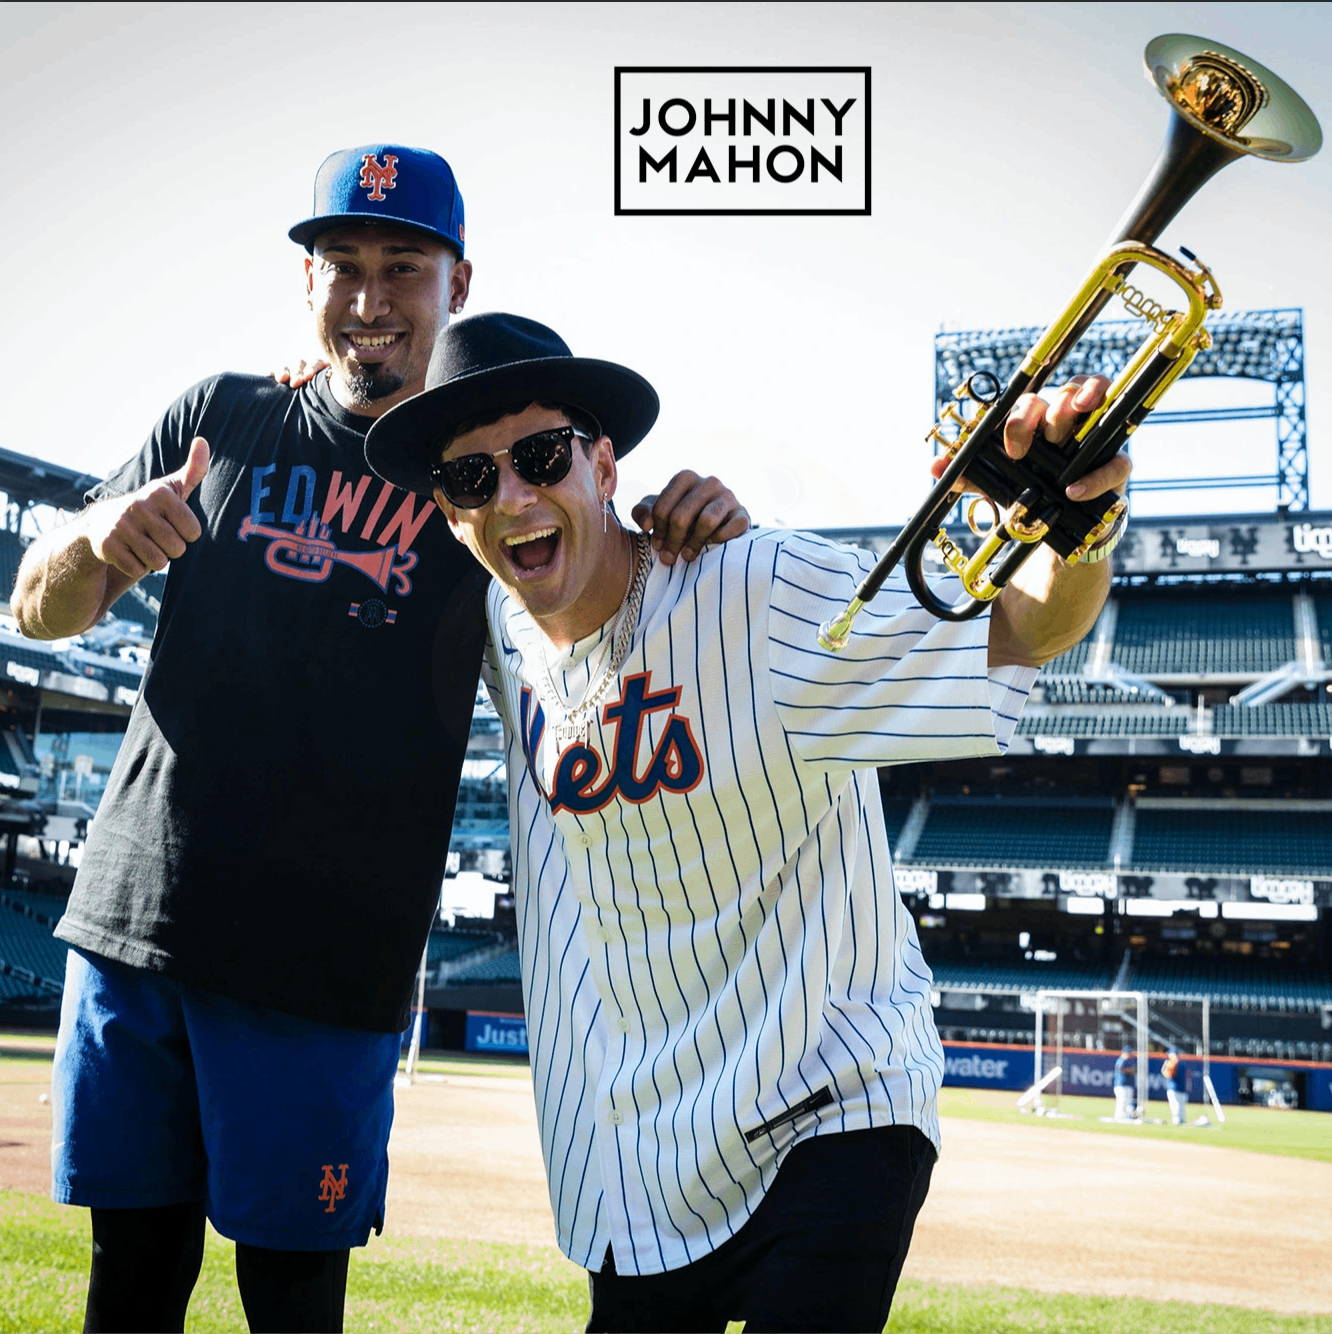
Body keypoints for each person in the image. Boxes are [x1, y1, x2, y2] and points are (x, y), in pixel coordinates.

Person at [12, 148, 746, 1334]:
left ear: (459, 281)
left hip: (323, 963)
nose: (370, 296)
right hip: (137, 923)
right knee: (127, 1281)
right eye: (342, 265)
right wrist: (95, 536)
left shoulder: (483, 479)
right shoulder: (222, 415)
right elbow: (34, 609)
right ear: (304, 281)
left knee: (291, 1301)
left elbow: (608, 583)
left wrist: (695, 513)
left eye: (404, 266)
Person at [364, 312, 1131, 1333]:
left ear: (603, 462)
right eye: (471, 478)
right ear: (448, 512)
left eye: (541, 455)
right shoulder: (504, 634)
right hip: (638, 1165)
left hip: (830, 1107)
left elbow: (1021, 631)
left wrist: (1076, 532)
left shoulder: (759, 586)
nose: (510, 495)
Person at [1161, 1046, 1188, 1125]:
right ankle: (1181, 1120)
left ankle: (1177, 1120)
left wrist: (1164, 1070)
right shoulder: (1182, 1063)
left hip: (1174, 1087)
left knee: (1175, 1105)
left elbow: (1169, 1074)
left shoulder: (1173, 1063)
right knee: (1181, 1106)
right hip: (1182, 1088)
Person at [1114, 1044, 1138, 1121]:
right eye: (1129, 1052)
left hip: (1128, 1084)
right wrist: (1131, 1070)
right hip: (1121, 1085)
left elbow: (1135, 1070)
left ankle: (1127, 1116)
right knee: (1122, 1101)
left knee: (1128, 1101)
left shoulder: (1130, 1061)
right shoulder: (1121, 1060)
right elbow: (1120, 1068)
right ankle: (1119, 1116)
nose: (1131, 1054)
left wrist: (1133, 1070)